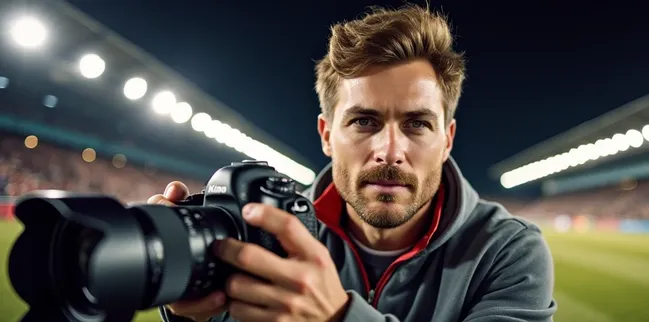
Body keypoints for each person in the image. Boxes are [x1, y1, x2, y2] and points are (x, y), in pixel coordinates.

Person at [153, 4, 556, 322]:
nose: (390, 150)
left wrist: (338, 317)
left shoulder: (508, 250)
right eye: (365, 121)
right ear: (327, 135)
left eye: (417, 123)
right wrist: (194, 308)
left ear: (447, 140)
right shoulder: (268, 232)